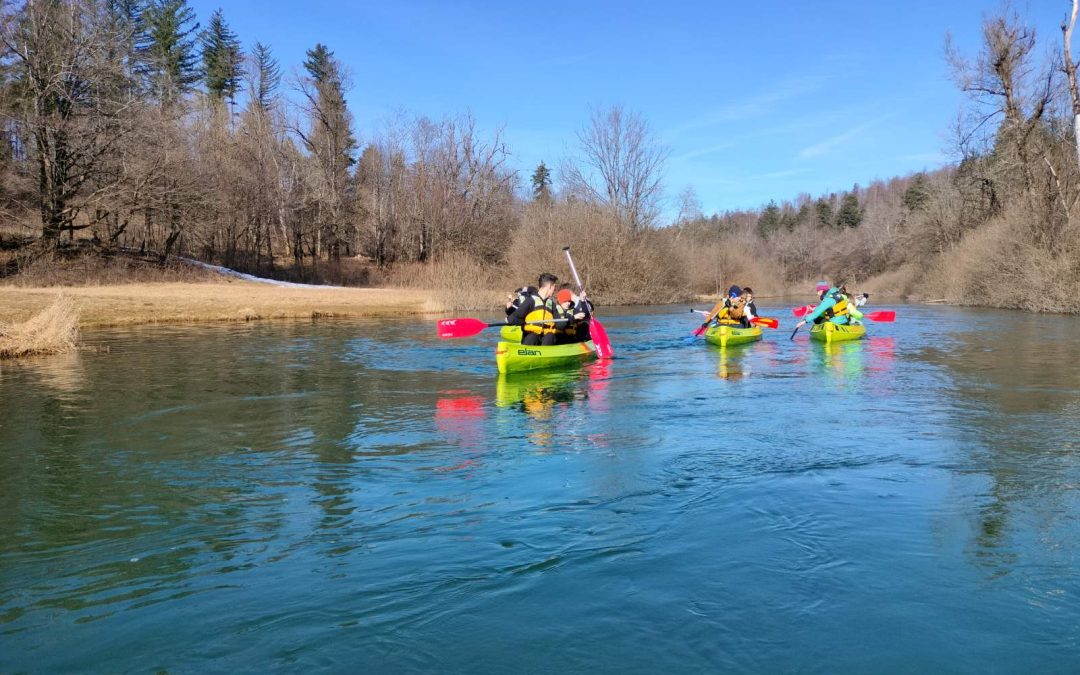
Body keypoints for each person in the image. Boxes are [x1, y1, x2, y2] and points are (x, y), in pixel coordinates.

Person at [506, 273, 560, 345]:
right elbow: (515, 317)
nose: (555, 289)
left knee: (550, 336)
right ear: (549, 286)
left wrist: (572, 319)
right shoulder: (530, 301)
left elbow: (559, 323)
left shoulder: (551, 304)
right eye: (554, 287)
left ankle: (546, 352)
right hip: (531, 337)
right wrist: (512, 320)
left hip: (546, 340)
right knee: (532, 337)